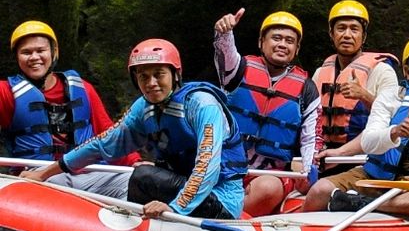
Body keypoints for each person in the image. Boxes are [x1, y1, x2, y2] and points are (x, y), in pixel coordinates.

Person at [21, 39, 247, 219]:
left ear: (175, 74)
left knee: (144, 175)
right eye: (143, 76)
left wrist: (176, 208)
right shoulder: (144, 107)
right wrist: (44, 173)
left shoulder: (202, 104)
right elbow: (102, 144)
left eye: (159, 74)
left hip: (219, 200)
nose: (151, 83)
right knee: (142, 177)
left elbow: (207, 165)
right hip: (181, 185)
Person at [306, 34, 409, 217]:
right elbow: (369, 142)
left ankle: (359, 204)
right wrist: (393, 133)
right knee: (319, 190)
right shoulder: (390, 97)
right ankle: (383, 204)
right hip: (375, 178)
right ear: (407, 71)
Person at [1, 21, 130, 197]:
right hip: (38, 178)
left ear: (54, 53)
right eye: (26, 52)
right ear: (17, 57)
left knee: (135, 182)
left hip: (91, 173)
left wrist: (135, 162)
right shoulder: (6, 93)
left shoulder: (83, 88)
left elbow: (108, 134)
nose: (34, 57)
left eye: (41, 50)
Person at [214, 8, 319, 216]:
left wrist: (310, 171)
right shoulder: (239, 68)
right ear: (261, 42)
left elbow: (311, 137)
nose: (282, 44)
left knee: (268, 189)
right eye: (276, 38)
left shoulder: (307, 89)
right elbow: (225, 53)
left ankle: (223, 217)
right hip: (226, 164)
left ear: (297, 49)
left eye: (289, 41)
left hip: (269, 174)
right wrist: (224, 33)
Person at [312, 0, 400, 166]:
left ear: (363, 36)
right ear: (331, 34)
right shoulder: (319, 73)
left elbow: (394, 120)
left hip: (364, 158)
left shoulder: (383, 71)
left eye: (354, 29)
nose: (347, 35)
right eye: (341, 28)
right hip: (324, 155)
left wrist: (363, 95)